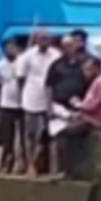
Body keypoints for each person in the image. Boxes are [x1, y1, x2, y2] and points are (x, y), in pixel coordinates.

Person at [50, 57, 101, 178]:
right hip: (90, 117)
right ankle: (71, 169)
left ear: (96, 69)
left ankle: (65, 170)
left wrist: (76, 104)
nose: (85, 73)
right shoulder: (98, 82)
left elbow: (92, 105)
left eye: (88, 70)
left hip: (96, 120)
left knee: (63, 135)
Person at [16, 32, 60, 176]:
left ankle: (40, 163)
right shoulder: (27, 56)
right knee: (30, 134)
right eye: (41, 39)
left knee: (46, 134)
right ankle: (30, 164)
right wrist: (24, 95)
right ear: (36, 40)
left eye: (47, 39)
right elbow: (20, 78)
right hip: (31, 97)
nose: (44, 42)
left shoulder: (56, 55)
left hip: (50, 97)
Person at [0, 39, 24, 172]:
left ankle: (21, 163)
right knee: (6, 137)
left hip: (22, 105)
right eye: (7, 48)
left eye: (12, 47)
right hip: (6, 105)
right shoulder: (0, 66)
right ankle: (6, 161)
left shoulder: (23, 63)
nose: (9, 50)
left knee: (22, 136)